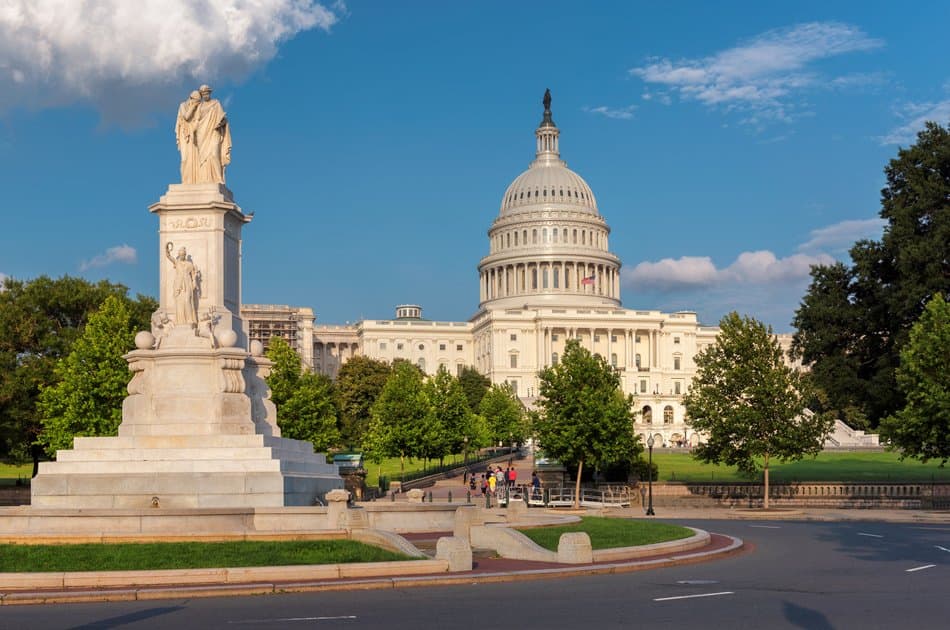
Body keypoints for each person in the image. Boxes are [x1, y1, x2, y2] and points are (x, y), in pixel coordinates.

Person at [177, 84, 232, 185]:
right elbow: (196, 120)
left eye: (207, 93)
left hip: (214, 131)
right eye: (203, 94)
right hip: (202, 133)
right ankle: (204, 179)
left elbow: (223, 118)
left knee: (214, 154)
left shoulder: (216, 103)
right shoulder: (199, 106)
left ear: (210, 93)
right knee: (202, 158)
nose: (205, 95)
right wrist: (192, 131)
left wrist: (221, 123)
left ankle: (218, 178)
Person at [165, 243, 198, 326]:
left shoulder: (189, 264)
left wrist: (194, 283)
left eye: (182, 255)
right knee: (179, 303)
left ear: (185, 255)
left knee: (187, 301)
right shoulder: (177, 262)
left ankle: (190, 320)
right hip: (178, 284)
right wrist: (167, 248)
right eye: (180, 255)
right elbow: (168, 256)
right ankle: (181, 321)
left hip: (188, 283)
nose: (181, 256)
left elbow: (193, 275)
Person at [175, 91, 201, 183]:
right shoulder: (183, 105)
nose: (197, 103)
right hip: (184, 135)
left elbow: (198, 120)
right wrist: (193, 107)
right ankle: (186, 180)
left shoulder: (198, 107)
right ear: (191, 98)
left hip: (194, 135)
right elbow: (186, 117)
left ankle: (195, 180)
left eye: (198, 101)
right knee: (185, 158)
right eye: (196, 101)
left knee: (195, 158)